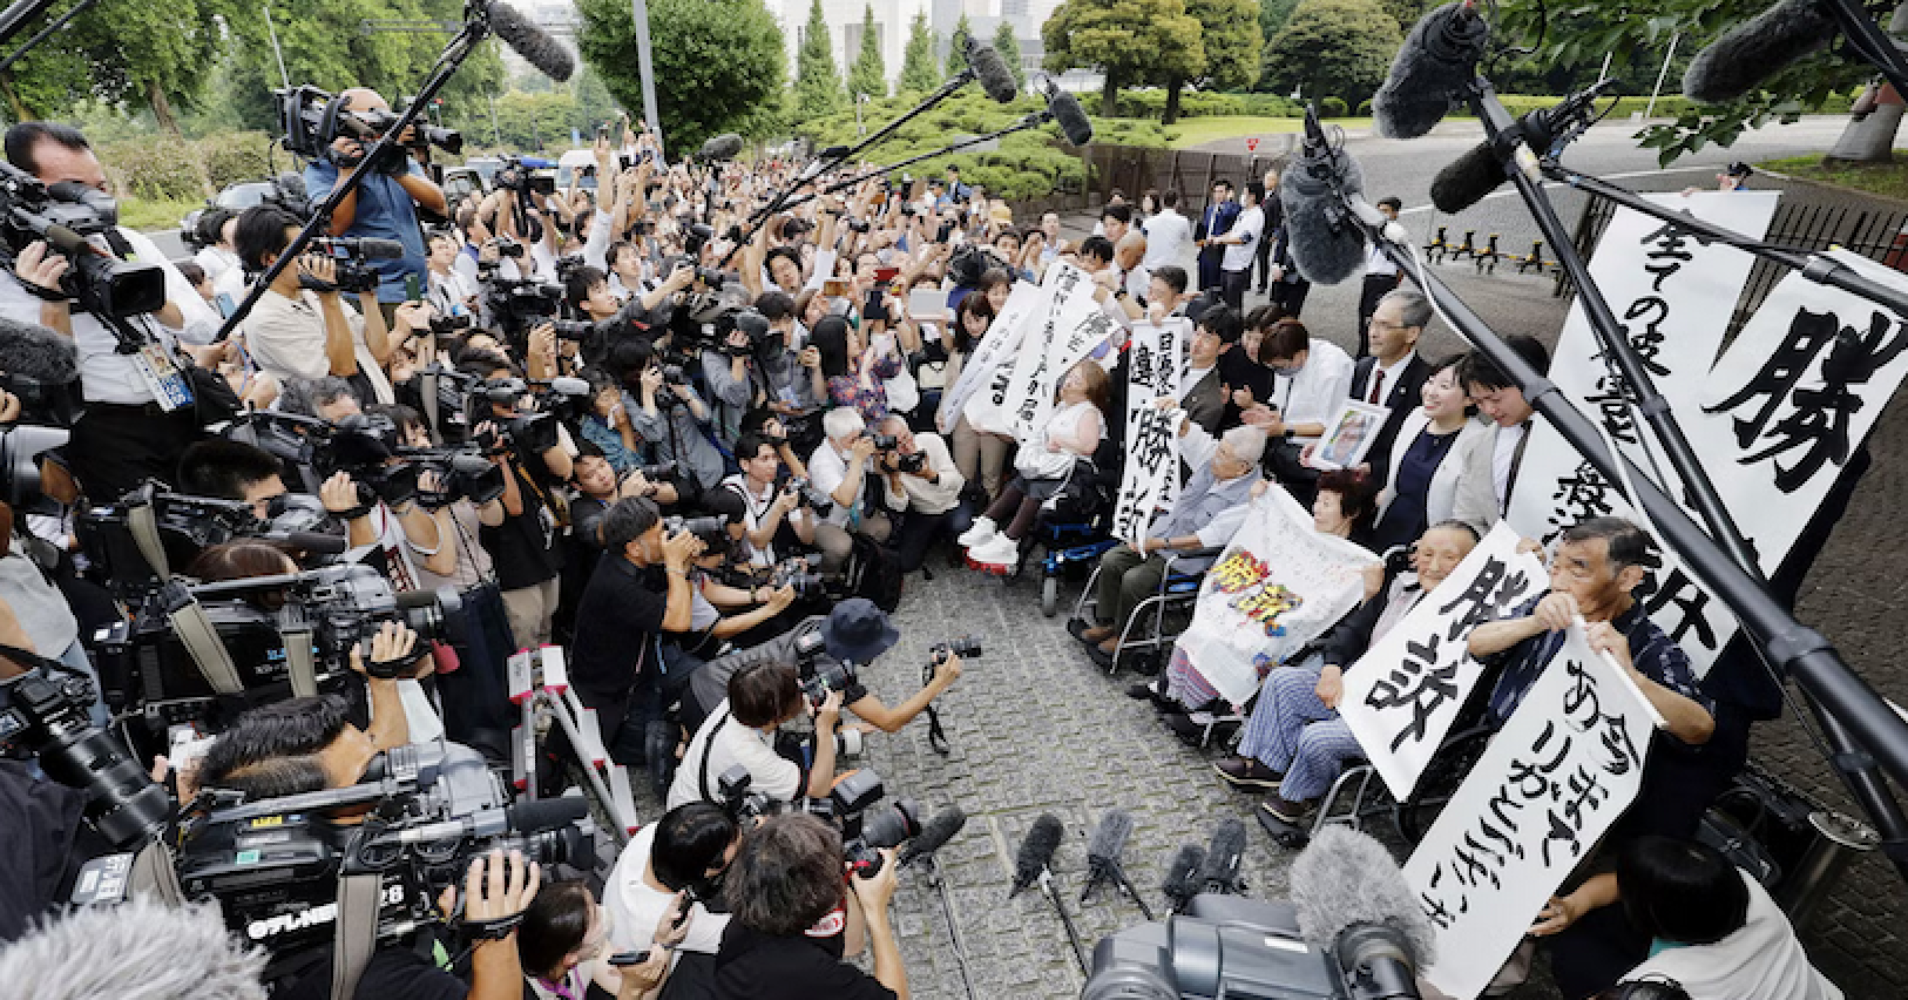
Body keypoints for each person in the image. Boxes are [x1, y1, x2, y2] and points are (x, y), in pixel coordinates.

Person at [2, 122, 223, 504]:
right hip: (103, 437)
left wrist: (147, 298)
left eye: (100, 187)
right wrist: (50, 298)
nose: (96, 203)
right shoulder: (10, 275)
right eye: (76, 189)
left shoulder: (126, 241)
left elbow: (205, 330)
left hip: (180, 408)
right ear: (29, 190)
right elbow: (53, 376)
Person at [1213, 522, 1480, 822]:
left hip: (1399, 718)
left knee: (1317, 737)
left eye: (1449, 557)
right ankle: (1266, 766)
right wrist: (1332, 667)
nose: (1433, 566)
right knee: (1283, 680)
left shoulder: (1477, 622)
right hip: (1359, 690)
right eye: (1427, 554)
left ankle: (1301, 797)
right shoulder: (1404, 589)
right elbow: (1354, 630)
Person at [1534, 836, 1842, 1000]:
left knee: (1577, 954)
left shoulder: (1667, 985)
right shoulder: (1739, 886)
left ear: (1657, 915)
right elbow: (1620, 884)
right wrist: (1576, 903)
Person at [1077, 415, 1268, 663]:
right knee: (1112, 559)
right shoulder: (1215, 464)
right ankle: (1108, 622)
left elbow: (1205, 538)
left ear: (1243, 467)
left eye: (1222, 454)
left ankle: (1129, 635)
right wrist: (1178, 417)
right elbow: (1191, 436)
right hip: (1163, 533)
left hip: (1185, 554)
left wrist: (1159, 544)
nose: (1215, 456)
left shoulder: (1248, 498)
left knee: (1135, 579)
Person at [713, 813, 907, 1000]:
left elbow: (852, 946)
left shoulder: (750, 916)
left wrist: (846, 879)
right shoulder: (812, 974)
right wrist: (876, 911)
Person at [569, 497, 701, 767]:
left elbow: (679, 600)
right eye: (658, 535)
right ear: (634, 548)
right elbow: (679, 621)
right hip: (613, 696)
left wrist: (684, 567)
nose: (666, 540)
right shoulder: (616, 584)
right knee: (660, 751)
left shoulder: (628, 564)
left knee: (699, 677)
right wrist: (675, 566)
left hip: (639, 674)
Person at [303, 87, 450, 324]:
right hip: (371, 297)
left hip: (416, 288)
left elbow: (439, 204)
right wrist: (347, 171)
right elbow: (335, 227)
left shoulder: (396, 158)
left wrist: (393, 166)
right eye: (374, 120)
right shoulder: (323, 167)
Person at [960, 359, 1109, 566]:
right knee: (1021, 479)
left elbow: (1088, 445)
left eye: (1077, 380)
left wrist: (1059, 441)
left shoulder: (1089, 412)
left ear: (1089, 388)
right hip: (1054, 464)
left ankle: (1010, 540)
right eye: (1070, 377)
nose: (1069, 382)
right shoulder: (1063, 407)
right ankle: (988, 521)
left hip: (1076, 472)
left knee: (1037, 484)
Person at [666, 660, 843, 811]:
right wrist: (824, 729)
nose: (800, 686)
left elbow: (776, 702)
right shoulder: (748, 754)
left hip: (687, 793)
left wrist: (808, 702)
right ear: (777, 716)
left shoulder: (742, 700)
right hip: (700, 824)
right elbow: (818, 787)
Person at [1370, 355, 1491, 553]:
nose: (1430, 392)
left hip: (1433, 541)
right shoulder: (1416, 418)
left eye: (1444, 387)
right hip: (1390, 523)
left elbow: (1470, 513)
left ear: (1470, 398)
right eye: (1430, 381)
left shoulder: (1478, 441)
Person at [519, 879, 686, 1000]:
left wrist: (664, 942)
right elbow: (635, 992)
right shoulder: (520, 991)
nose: (603, 911)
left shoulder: (587, 951)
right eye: (596, 919)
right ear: (570, 958)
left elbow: (647, 996)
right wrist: (631, 989)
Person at [1450, 335, 1550, 534]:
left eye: (1495, 399)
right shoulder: (1477, 447)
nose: (1489, 409)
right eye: (1478, 402)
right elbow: (1468, 521)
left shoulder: (1576, 438)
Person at [1344, 288, 1433, 485]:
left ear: (1412, 333)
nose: (1373, 333)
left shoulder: (1425, 384)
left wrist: (1375, 469)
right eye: (1372, 322)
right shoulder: (1362, 368)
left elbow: (1420, 452)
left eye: (1384, 326)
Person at [807, 407, 900, 574]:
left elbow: (879, 470)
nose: (857, 444)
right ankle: (827, 577)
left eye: (859, 437)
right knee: (841, 546)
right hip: (825, 521)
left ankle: (863, 565)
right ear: (832, 440)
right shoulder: (821, 462)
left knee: (882, 528)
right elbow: (845, 499)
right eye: (851, 440)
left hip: (853, 513)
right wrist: (857, 459)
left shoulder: (852, 447)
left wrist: (880, 455)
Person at [872, 415, 966, 573]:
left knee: (962, 526)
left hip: (951, 503)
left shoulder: (931, 441)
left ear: (910, 430)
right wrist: (894, 476)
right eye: (899, 444)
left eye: (907, 437)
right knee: (906, 563)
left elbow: (958, 481)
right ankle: (934, 538)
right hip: (923, 511)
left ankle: (951, 541)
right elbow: (897, 506)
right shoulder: (891, 462)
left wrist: (930, 475)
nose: (907, 447)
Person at [1354, 197, 1406, 353]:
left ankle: (1371, 353)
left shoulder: (1396, 234)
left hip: (1384, 280)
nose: (1380, 214)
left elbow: (1402, 266)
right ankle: (1363, 351)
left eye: (1385, 211)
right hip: (1370, 280)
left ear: (1395, 214)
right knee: (1363, 316)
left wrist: (1392, 283)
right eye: (1378, 210)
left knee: (1375, 318)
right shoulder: (1373, 233)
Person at [1179, 306, 1241, 435]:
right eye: (1197, 334)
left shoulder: (1211, 403)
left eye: (1207, 339)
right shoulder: (1173, 358)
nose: (1197, 343)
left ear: (1223, 348)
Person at [1216, 181, 1267, 310]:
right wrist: (1218, 238)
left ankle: (1234, 329)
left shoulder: (1257, 215)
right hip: (1228, 262)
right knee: (1224, 302)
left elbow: (1244, 238)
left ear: (1252, 196)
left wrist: (1222, 241)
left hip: (1239, 266)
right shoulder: (1244, 213)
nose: (1242, 196)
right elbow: (1233, 232)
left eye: (1245, 193)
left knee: (1234, 305)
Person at [1193, 179, 1240, 293]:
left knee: (1215, 285)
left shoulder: (1233, 208)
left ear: (1228, 193)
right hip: (1206, 248)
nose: (1217, 195)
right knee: (1203, 283)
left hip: (1220, 250)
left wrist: (1228, 202)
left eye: (1221, 192)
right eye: (1215, 192)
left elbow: (1229, 215)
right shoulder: (1210, 209)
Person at [1141, 189, 1197, 277]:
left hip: (1150, 265)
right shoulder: (1183, 221)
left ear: (1162, 202)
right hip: (1170, 267)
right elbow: (1187, 240)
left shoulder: (1148, 222)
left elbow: (1142, 241)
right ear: (1177, 203)